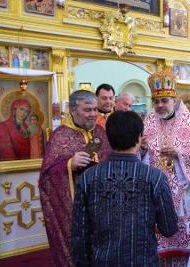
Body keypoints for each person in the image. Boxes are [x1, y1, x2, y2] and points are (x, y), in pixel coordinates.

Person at [71, 111, 178, 266]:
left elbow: (79, 232)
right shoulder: (155, 177)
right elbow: (169, 228)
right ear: (139, 138)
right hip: (144, 262)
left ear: (109, 138)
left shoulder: (88, 177)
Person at [39, 90, 112, 267]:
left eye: (95, 109)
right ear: (72, 111)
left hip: (102, 206)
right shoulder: (60, 135)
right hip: (75, 208)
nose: (93, 114)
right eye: (87, 110)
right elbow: (46, 176)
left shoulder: (101, 133)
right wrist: (69, 164)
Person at [143, 71, 190, 267]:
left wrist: (179, 153)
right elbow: (137, 157)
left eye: (164, 100)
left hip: (183, 195)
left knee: (182, 245)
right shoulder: (146, 126)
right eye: (156, 102)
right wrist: (141, 149)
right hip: (154, 194)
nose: (160, 105)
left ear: (173, 100)